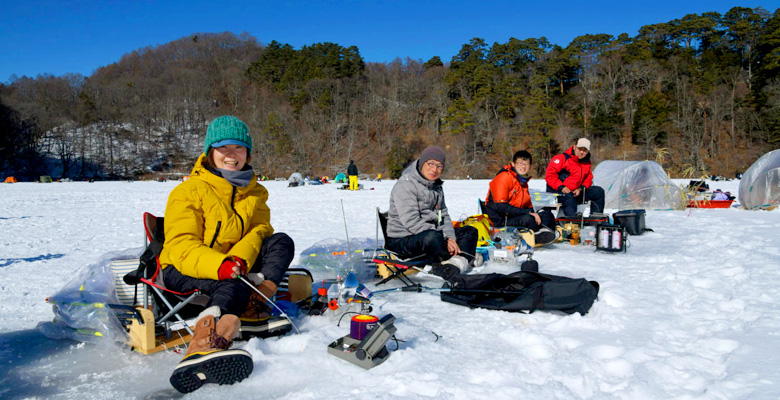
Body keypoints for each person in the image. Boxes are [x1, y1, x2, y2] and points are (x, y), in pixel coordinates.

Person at [159, 115, 294, 393]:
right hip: (183, 268)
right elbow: (180, 244)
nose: (232, 155)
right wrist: (221, 264)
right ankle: (203, 343)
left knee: (281, 241)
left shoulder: (256, 192)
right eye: (224, 148)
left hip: (232, 265)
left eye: (239, 148)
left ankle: (252, 307)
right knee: (230, 281)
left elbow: (259, 230)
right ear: (211, 152)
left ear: (247, 153)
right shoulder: (187, 191)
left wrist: (238, 260)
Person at [385, 145, 479, 280]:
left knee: (470, 231)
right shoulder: (405, 185)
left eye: (439, 166)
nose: (434, 169)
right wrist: (443, 239)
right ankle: (463, 257)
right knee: (432, 237)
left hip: (432, 234)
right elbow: (411, 221)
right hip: (402, 239)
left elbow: (444, 215)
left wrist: (449, 237)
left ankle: (455, 264)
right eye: (431, 164)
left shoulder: (436, 187)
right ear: (423, 162)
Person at [484, 150, 557, 245]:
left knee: (546, 214)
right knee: (528, 218)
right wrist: (528, 213)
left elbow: (528, 205)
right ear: (513, 164)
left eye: (526, 164)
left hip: (514, 215)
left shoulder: (522, 182)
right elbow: (500, 206)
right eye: (520, 163)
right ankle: (538, 235)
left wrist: (534, 213)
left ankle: (544, 233)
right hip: (501, 219)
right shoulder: (503, 178)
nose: (523, 167)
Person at [545, 138, 605, 217]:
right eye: (579, 149)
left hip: (576, 192)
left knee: (598, 191)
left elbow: (588, 178)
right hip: (560, 192)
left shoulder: (586, 163)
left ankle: (596, 218)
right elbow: (550, 175)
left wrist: (580, 189)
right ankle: (572, 220)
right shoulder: (561, 158)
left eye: (584, 150)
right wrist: (561, 187)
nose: (581, 152)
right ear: (574, 147)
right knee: (569, 198)